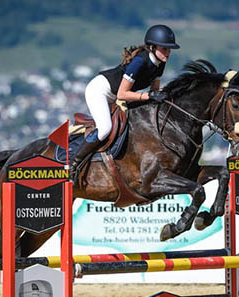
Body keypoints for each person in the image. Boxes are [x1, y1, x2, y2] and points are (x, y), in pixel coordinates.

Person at [70, 24, 180, 182]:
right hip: (100, 91)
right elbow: (123, 94)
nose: (168, 53)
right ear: (152, 47)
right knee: (105, 129)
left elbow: (155, 91)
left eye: (169, 50)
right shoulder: (139, 62)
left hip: (117, 95)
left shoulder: (160, 64)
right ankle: (74, 164)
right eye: (164, 49)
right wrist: (149, 96)